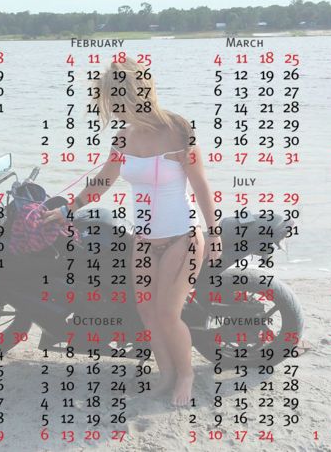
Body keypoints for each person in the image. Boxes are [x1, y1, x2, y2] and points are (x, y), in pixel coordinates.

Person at [43, 59, 221, 406]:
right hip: (143, 240)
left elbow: (202, 187)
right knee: (148, 313)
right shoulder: (123, 138)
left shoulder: (179, 130)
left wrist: (214, 233)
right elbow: (103, 181)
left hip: (182, 237)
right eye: (110, 102)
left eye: (116, 101)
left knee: (167, 314)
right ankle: (166, 374)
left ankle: (186, 374)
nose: (114, 110)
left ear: (137, 94)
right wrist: (68, 209)